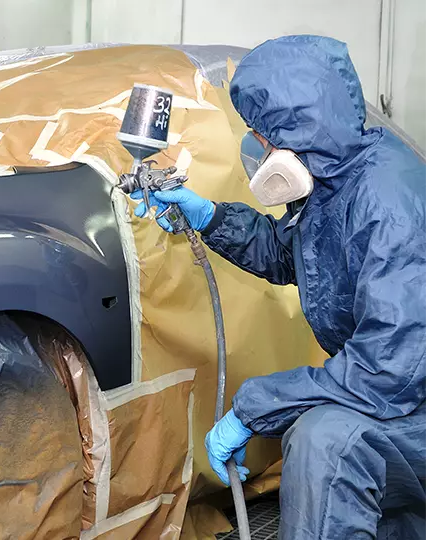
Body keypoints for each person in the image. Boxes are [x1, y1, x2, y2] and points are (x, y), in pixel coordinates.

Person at [134, 35, 426, 538]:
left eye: (261, 136)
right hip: (406, 397)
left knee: (327, 443)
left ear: (297, 133)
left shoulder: (390, 207)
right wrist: (209, 217)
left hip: (407, 396)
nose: (257, 149)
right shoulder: (339, 178)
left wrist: (254, 407)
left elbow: (386, 372)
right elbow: (297, 256)